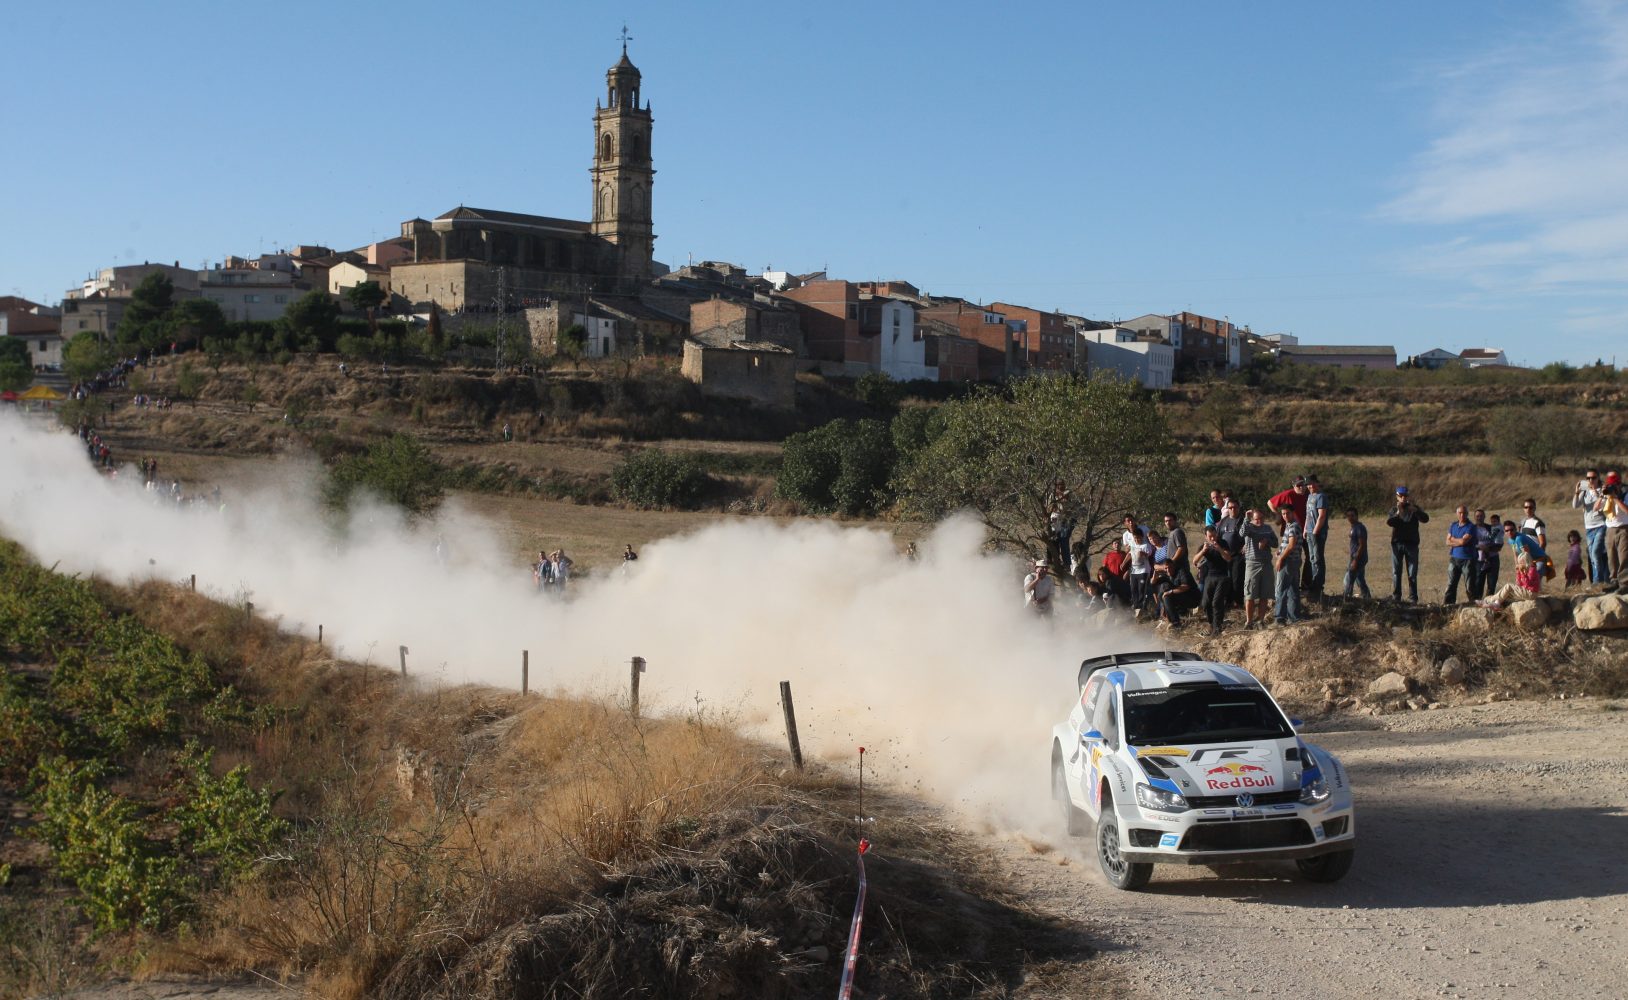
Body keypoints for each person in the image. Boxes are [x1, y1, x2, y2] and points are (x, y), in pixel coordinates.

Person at [1386, 486, 1430, 603]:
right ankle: (1396, 596)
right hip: (1397, 544)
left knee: (1412, 573)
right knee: (1396, 572)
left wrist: (1416, 511)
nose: (1403, 498)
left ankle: (1413, 597)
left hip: (1412, 544)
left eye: (1405, 496)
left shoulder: (1414, 508)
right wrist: (1398, 512)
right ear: (1397, 497)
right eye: (1401, 496)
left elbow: (1425, 519)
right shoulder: (1393, 509)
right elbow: (1390, 522)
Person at [1241, 507, 1277, 628]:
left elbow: (1275, 543)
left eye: (1261, 518)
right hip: (1252, 564)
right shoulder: (1248, 526)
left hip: (1266, 564)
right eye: (1256, 519)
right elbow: (1242, 533)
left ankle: (1260, 621)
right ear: (1252, 519)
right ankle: (1249, 622)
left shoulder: (1268, 528)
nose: (1259, 521)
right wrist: (1246, 518)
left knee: (1264, 595)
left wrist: (1267, 541)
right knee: (1250, 595)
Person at [1195, 525, 1233, 635]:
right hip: (1210, 576)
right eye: (1210, 536)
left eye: (1214, 536)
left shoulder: (1223, 543)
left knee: (1217, 602)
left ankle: (1217, 628)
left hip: (1222, 576)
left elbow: (1229, 558)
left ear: (1217, 534)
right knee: (1206, 603)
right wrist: (1203, 551)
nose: (1213, 538)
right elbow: (1194, 561)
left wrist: (1219, 549)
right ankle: (1212, 623)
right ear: (1206, 537)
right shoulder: (1204, 546)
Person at [1574, 470, 1610, 583]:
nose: (1590, 480)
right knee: (1593, 556)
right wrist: (1577, 493)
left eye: (1593, 478)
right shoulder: (1585, 491)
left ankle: (1597, 581)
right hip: (1589, 527)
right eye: (1588, 478)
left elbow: (1602, 507)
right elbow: (1575, 505)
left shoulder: (1603, 490)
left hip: (1601, 525)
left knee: (1595, 553)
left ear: (1598, 478)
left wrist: (1597, 494)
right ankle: (1602, 580)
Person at [1273, 503, 1304, 625]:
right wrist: (1280, 551)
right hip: (1294, 561)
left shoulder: (1293, 526)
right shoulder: (1291, 525)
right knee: (1293, 590)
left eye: (1287, 513)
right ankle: (1294, 617)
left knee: (1281, 589)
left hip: (1289, 561)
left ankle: (1279, 618)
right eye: (1283, 514)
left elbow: (1291, 545)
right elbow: (1288, 544)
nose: (1285, 516)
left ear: (1293, 513)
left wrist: (1280, 558)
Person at [1303, 476, 1330, 603]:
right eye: (1308, 484)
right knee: (1312, 558)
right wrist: (1305, 529)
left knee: (1318, 558)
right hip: (1309, 531)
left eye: (1312, 484)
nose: (1310, 486)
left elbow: (1322, 516)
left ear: (1317, 483)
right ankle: (1314, 583)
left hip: (1318, 533)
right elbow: (1308, 515)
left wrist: (1315, 531)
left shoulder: (1321, 497)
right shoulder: (1309, 497)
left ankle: (1318, 585)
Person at [1443, 505, 1478, 605]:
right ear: (1457, 513)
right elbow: (1447, 542)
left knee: (1469, 586)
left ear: (1467, 514)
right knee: (1451, 583)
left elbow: (1463, 542)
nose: (1462, 515)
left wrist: (1453, 539)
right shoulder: (1453, 525)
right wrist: (1458, 541)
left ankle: (1473, 604)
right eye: (1460, 513)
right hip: (1454, 558)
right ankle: (1448, 604)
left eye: (1464, 513)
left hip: (1468, 559)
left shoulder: (1471, 527)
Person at [1603, 472, 1628, 591]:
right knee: (1611, 557)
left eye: (1613, 485)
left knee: (1624, 556)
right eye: (1609, 485)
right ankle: (1614, 581)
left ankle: (1625, 583)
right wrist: (1602, 495)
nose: (1612, 487)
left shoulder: (1626, 494)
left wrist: (1616, 498)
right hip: (1610, 529)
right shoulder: (1607, 495)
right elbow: (1596, 508)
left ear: (1619, 484)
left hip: (1624, 528)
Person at [1342, 508, 1371, 599]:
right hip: (1355, 557)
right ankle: (1367, 597)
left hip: (1359, 558)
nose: (1350, 518)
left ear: (1357, 516)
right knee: (1360, 579)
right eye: (1348, 516)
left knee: (1348, 579)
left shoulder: (1359, 528)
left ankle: (1347, 597)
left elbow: (1362, 545)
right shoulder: (1354, 527)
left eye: (1352, 515)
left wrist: (1355, 560)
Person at [1472, 509, 1500, 599]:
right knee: (1478, 583)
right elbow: (1468, 544)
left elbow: (1499, 543)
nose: (1479, 518)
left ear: (1484, 517)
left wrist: (1489, 548)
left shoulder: (1491, 528)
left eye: (1481, 516)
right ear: (1474, 517)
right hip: (1478, 560)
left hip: (1493, 558)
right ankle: (1478, 602)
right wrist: (1480, 547)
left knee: (1492, 584)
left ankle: (1489, 602)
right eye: (1477, 516)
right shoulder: (1471, 529)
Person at [1126, 526, 1154, 612]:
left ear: (1142, 537)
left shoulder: (1146, 545)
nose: (1136, 540)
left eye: (1138, 538)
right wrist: (1123, 563)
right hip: (1134, 570)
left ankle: (1141, 607)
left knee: (1141, 589)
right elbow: (1129, 554)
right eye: (1135, 538)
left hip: (1143, 570)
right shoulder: (1132, 544)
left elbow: (1149, 554)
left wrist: (1143, 553)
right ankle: (1136, 606)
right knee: (1133, 589)